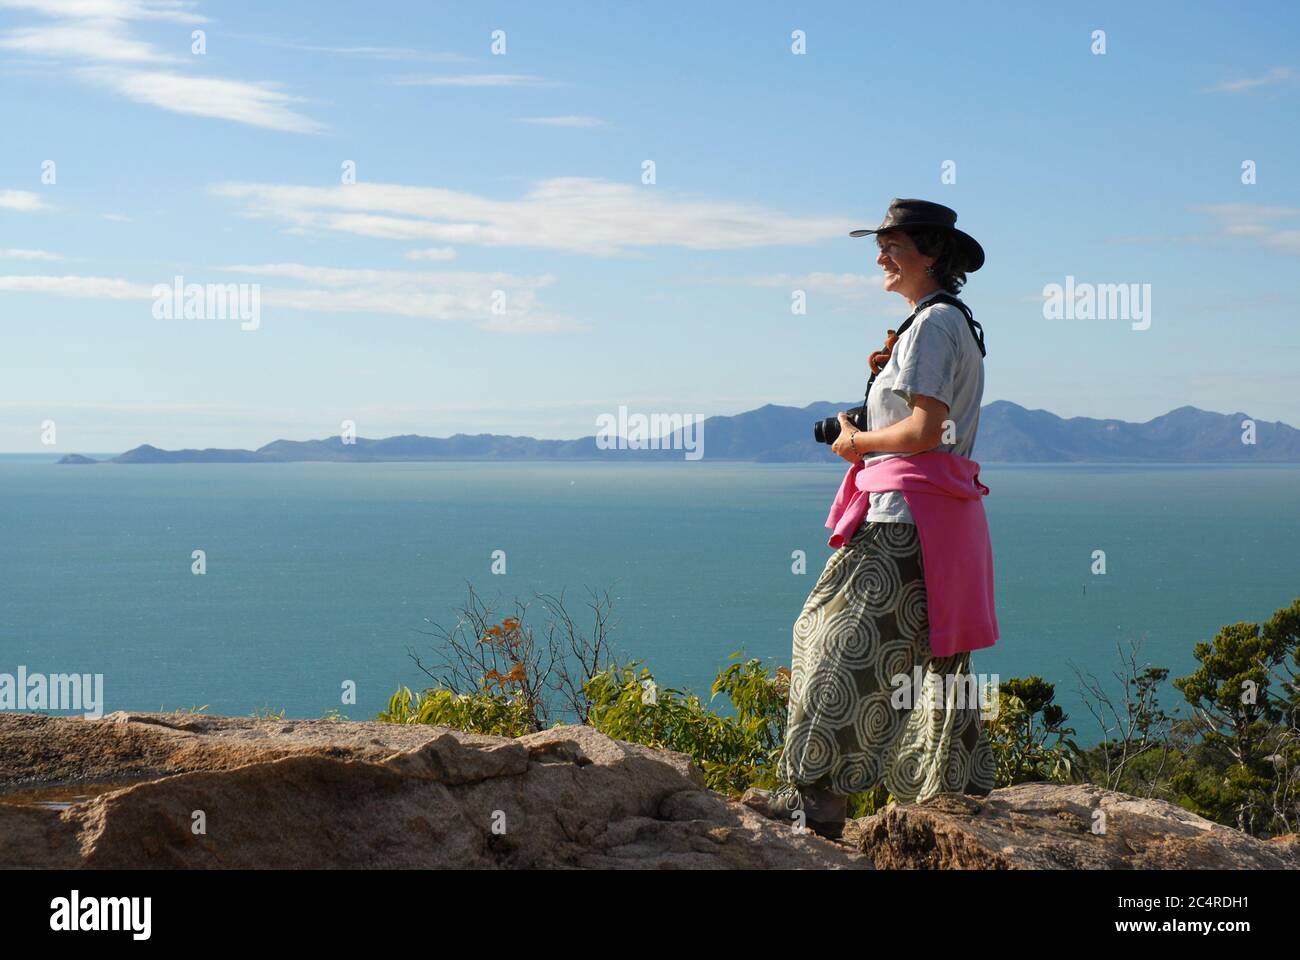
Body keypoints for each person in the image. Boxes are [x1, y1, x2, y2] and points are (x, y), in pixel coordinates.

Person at [742, 198, 998, 840]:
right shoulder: (946, 322)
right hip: (933, 521)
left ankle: (816, 810)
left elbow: (923, 428)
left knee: (833, 650)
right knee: (927, 668)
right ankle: (951, 807)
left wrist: (857, 443)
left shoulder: (933, 327)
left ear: (932, 253)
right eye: (878, 244)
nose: (880, 255)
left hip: (905, 519)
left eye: (893, 244)